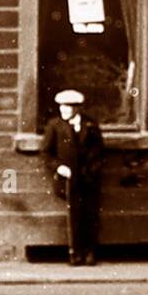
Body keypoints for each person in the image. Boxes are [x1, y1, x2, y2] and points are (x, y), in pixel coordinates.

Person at [41, 89, 105, 266]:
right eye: (61, 106)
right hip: (68, 179)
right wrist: (59, 167)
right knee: (74, 215)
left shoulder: (91, 125)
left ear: (78, 108)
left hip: (89, 178)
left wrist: (92, 171)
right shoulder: (55, 126)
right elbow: (46, 152)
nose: (64, 109)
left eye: (68, 106)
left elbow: (99, 152)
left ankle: (90, 252)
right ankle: (75, 253)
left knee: (90, 215)